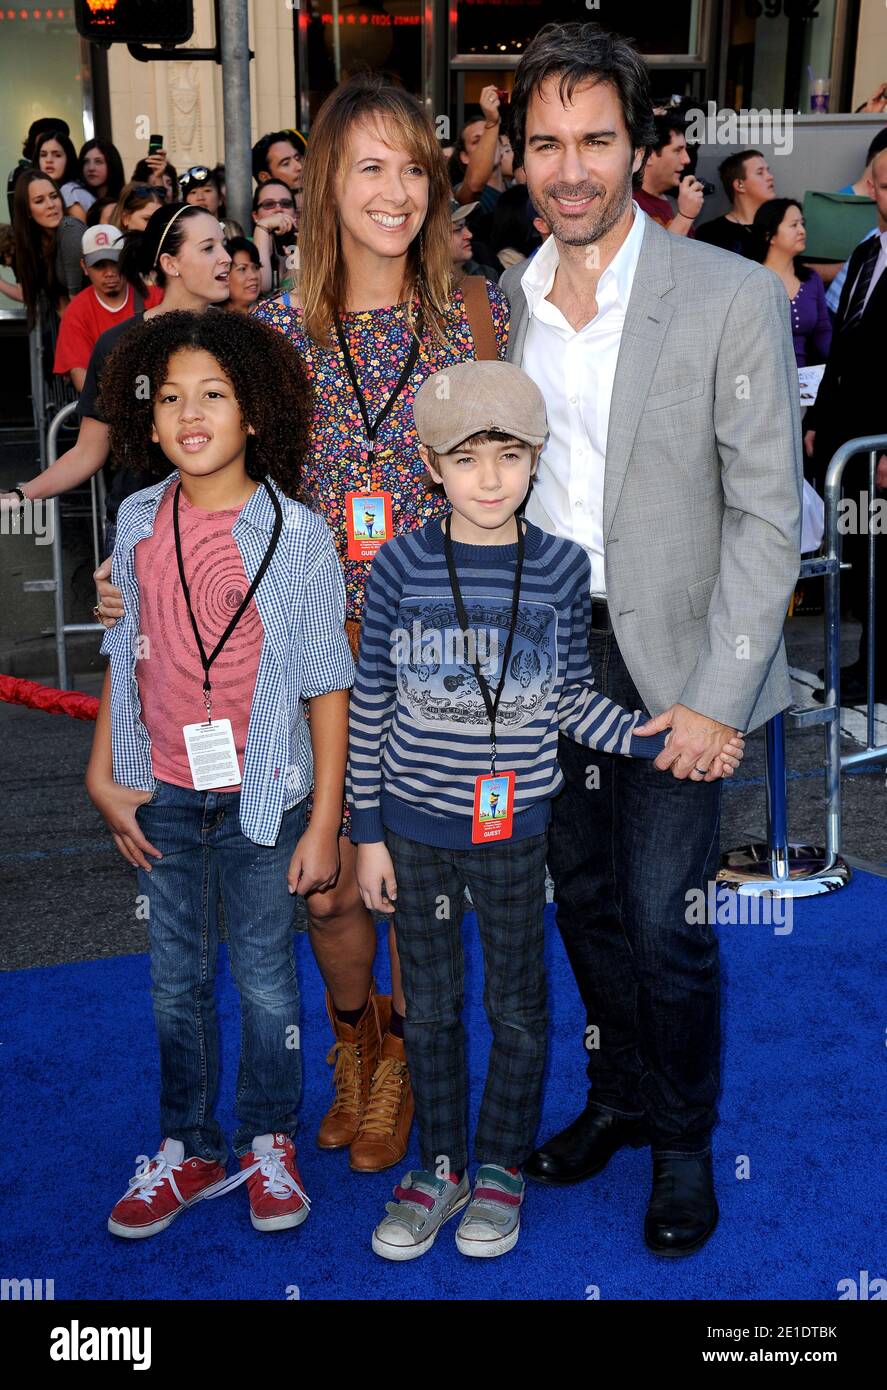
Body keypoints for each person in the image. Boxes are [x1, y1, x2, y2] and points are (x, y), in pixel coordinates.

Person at [498, 20, 802, 1257]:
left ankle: (682, 1139)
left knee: (666, 916)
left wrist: (720, 699)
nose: (569, 170)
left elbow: (770, 515)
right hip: (547, 653)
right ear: (517, 153)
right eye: (544, 144)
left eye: (594, 142)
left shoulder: (724, 294)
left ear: (637, 147)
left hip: (676, 654)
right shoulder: (502, 303)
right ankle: (618, 1092)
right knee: (579, 899)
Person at [350, 359, 746, 1262]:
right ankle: (437, 1163)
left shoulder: (563, 569)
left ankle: (497, 1167)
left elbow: (570, 696)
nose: (489, 479)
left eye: (510, 456)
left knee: (521, 1011)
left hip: (515, 830)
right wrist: (363, 831)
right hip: (412, 831)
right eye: (465, 458)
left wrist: (659, 740)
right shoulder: (400, 564)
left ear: (536, 460)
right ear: (428, 465)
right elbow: (371, 700)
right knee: (436, 1010)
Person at [245, 73, 512, 1174]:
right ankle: (358, 1040)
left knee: (414, 881)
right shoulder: (268, 332)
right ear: (322, 185)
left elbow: (513, 476)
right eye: (369, 166)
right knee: (325, 885)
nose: (397, 191)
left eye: (413, 166)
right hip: (309, 659)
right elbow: (222, 494)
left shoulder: (474, 314)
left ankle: (398, 1054)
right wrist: (133, 568)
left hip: (438, 652)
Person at [86, 308, 353, 1238]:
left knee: (270, 980)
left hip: (267, 796)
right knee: (175, 980)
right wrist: (100, 774)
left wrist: (323, 820)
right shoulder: (132, 521)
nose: (189, 413)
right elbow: (125, 656)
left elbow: (326, 685)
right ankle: (189, 1147)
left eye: (213, 394)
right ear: (146, 419)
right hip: (161, 792)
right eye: (169, 397)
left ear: (254, 414)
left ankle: (269, 1138)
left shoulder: (302, 535)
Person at [0, 205, 230, 544]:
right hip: (142, 530)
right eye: (209, 247)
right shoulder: (120, 344)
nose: (225, 257)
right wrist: (19, 497)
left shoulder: (240, 340)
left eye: (224, 244)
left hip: (225, 527)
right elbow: (88, 451)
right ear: (170, 264)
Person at [807, 147, 887, 705]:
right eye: (882, 185)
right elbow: (842, 344)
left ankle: (879, 670)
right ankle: (867, 662)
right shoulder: (866, 252)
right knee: (860, 556)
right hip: (847, 439)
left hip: (881, 443)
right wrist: (820, 421)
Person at [52, 225, 145, 392]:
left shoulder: (151, 296)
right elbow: (80, 374)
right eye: (99, 265)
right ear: (84, 267)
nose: (109, 273)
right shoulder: (77, 311)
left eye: (115, 263)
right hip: (107, 404)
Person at [753, 199, 831, 368]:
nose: (802, 231)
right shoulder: (751, 280)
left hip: (804, 380)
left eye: (802, 224)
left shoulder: (811, 279)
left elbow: (823, 332)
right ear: (769, 235)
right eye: (794, 225)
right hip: (762, 378)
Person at [9, 169, 85, 323]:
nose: (51, 205)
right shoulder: (34, 247)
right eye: (39, 201)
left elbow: (76, 303)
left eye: (54, 196)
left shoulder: (70, 229)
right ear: (27, 211)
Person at [635, 113, 704, 236]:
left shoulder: (676, 203)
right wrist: (685, 217)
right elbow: (653, 255)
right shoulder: (627, 206)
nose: (686, 159)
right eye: (678, 150)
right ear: (648, 156)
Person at [696, 150, 776, 256]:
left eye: (768, 171)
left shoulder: (779, 226)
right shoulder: (711, 233)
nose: (770, 177)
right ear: (739, 184)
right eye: (760, 172)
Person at [33, 129, 95, 222]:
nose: (49, 160)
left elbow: (81, 234)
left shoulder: (70, 191)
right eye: (43, 155)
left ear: (68, 159)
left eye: (57, 155)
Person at [250, 180, 298, 295]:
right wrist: (262, 228)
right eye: (268, 204)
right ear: (255, 216)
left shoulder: (310, 247)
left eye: (286, 203)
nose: (278, 209)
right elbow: (262, 286)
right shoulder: (244, 248)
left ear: (295, 213)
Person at [450, 198, 498, 285]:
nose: (469, 234)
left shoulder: (486, 274)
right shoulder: (419, 286)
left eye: (466, 225)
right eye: (458, 229)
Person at [79, 139, 126, 204]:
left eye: (98, 161)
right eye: (86, 161)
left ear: (112, 164)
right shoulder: (77, 196)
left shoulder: (127, 201)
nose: (91, 168)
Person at [224, 236, 262, 313]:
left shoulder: (270, 315)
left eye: (256, 267)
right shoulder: (210, 320)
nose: (253, 276)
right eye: (242, 269)